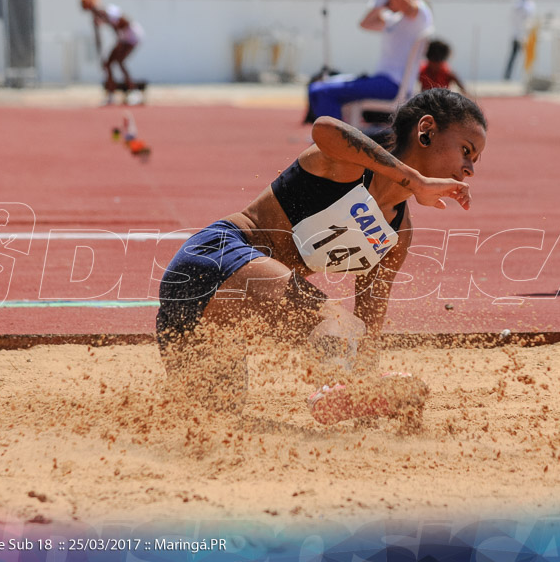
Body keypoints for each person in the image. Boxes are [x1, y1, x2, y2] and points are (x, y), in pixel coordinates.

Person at [155, 88, 487, 426]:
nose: (469, 168)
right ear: (426, 130)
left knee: (215, 423)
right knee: (338, 321)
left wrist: (369, 404)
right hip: (213, 258)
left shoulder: (397, 233)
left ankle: (345, 389)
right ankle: (331, 383)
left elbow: (370, 321)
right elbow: (325, 128)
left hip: (209, 318)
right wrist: (415, 180)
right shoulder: (347, 164)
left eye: (475, 160)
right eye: (466, 150)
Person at [308, 0, 433, 123]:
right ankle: (330, 139)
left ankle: (333, 143)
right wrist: (381, 2)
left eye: (388, 1)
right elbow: (365, 23)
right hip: (384, 81)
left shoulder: (419, 12)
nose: (387, 5)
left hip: (393, 84)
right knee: (316, 89)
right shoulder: (396, 18)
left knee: (323, 91)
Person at [80, 0, 145, 105]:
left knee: (119, 61)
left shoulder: (107, 11)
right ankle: (111, 95)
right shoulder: (96, 17)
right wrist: (100, 54)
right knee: (107, 63)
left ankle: (135, 92)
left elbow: (125, 23)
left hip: (131, 35)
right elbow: (98, 37)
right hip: (122, 37)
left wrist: (120, 41)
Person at [503, 0, 536, 81]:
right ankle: (525, 77)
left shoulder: (516, 3)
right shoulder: (528, 4)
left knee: (515, 57)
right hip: (524, 35)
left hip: (517, 34)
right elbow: (529, 20)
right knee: (526, 57)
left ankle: (509, 76)